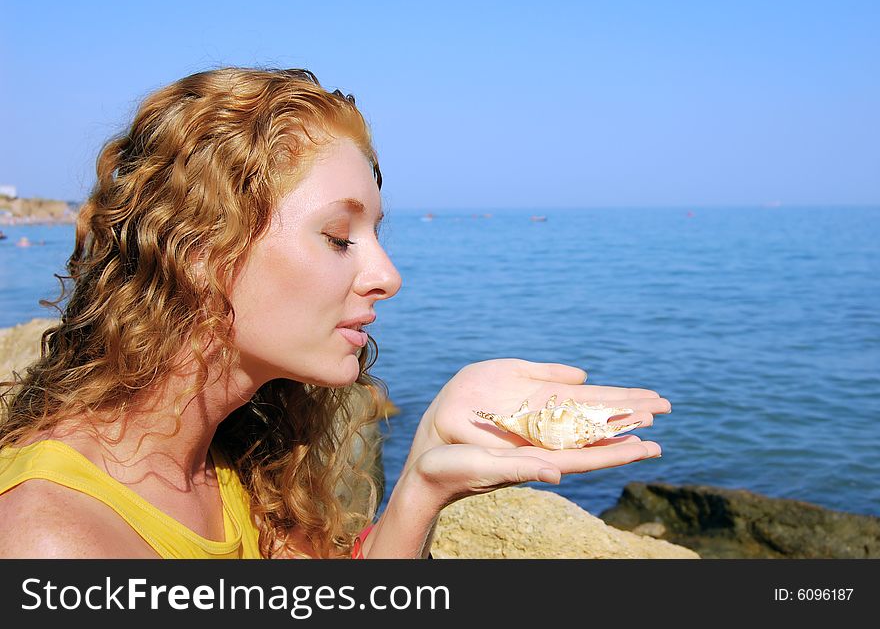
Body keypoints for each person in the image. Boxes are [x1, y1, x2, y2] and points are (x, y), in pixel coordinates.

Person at [0, 68, 668, 559]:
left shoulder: (238, 465)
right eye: (338, 237)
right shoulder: (55, 540)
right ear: (201, 250)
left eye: (376, 235)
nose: (388, 275)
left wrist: (425, 471)